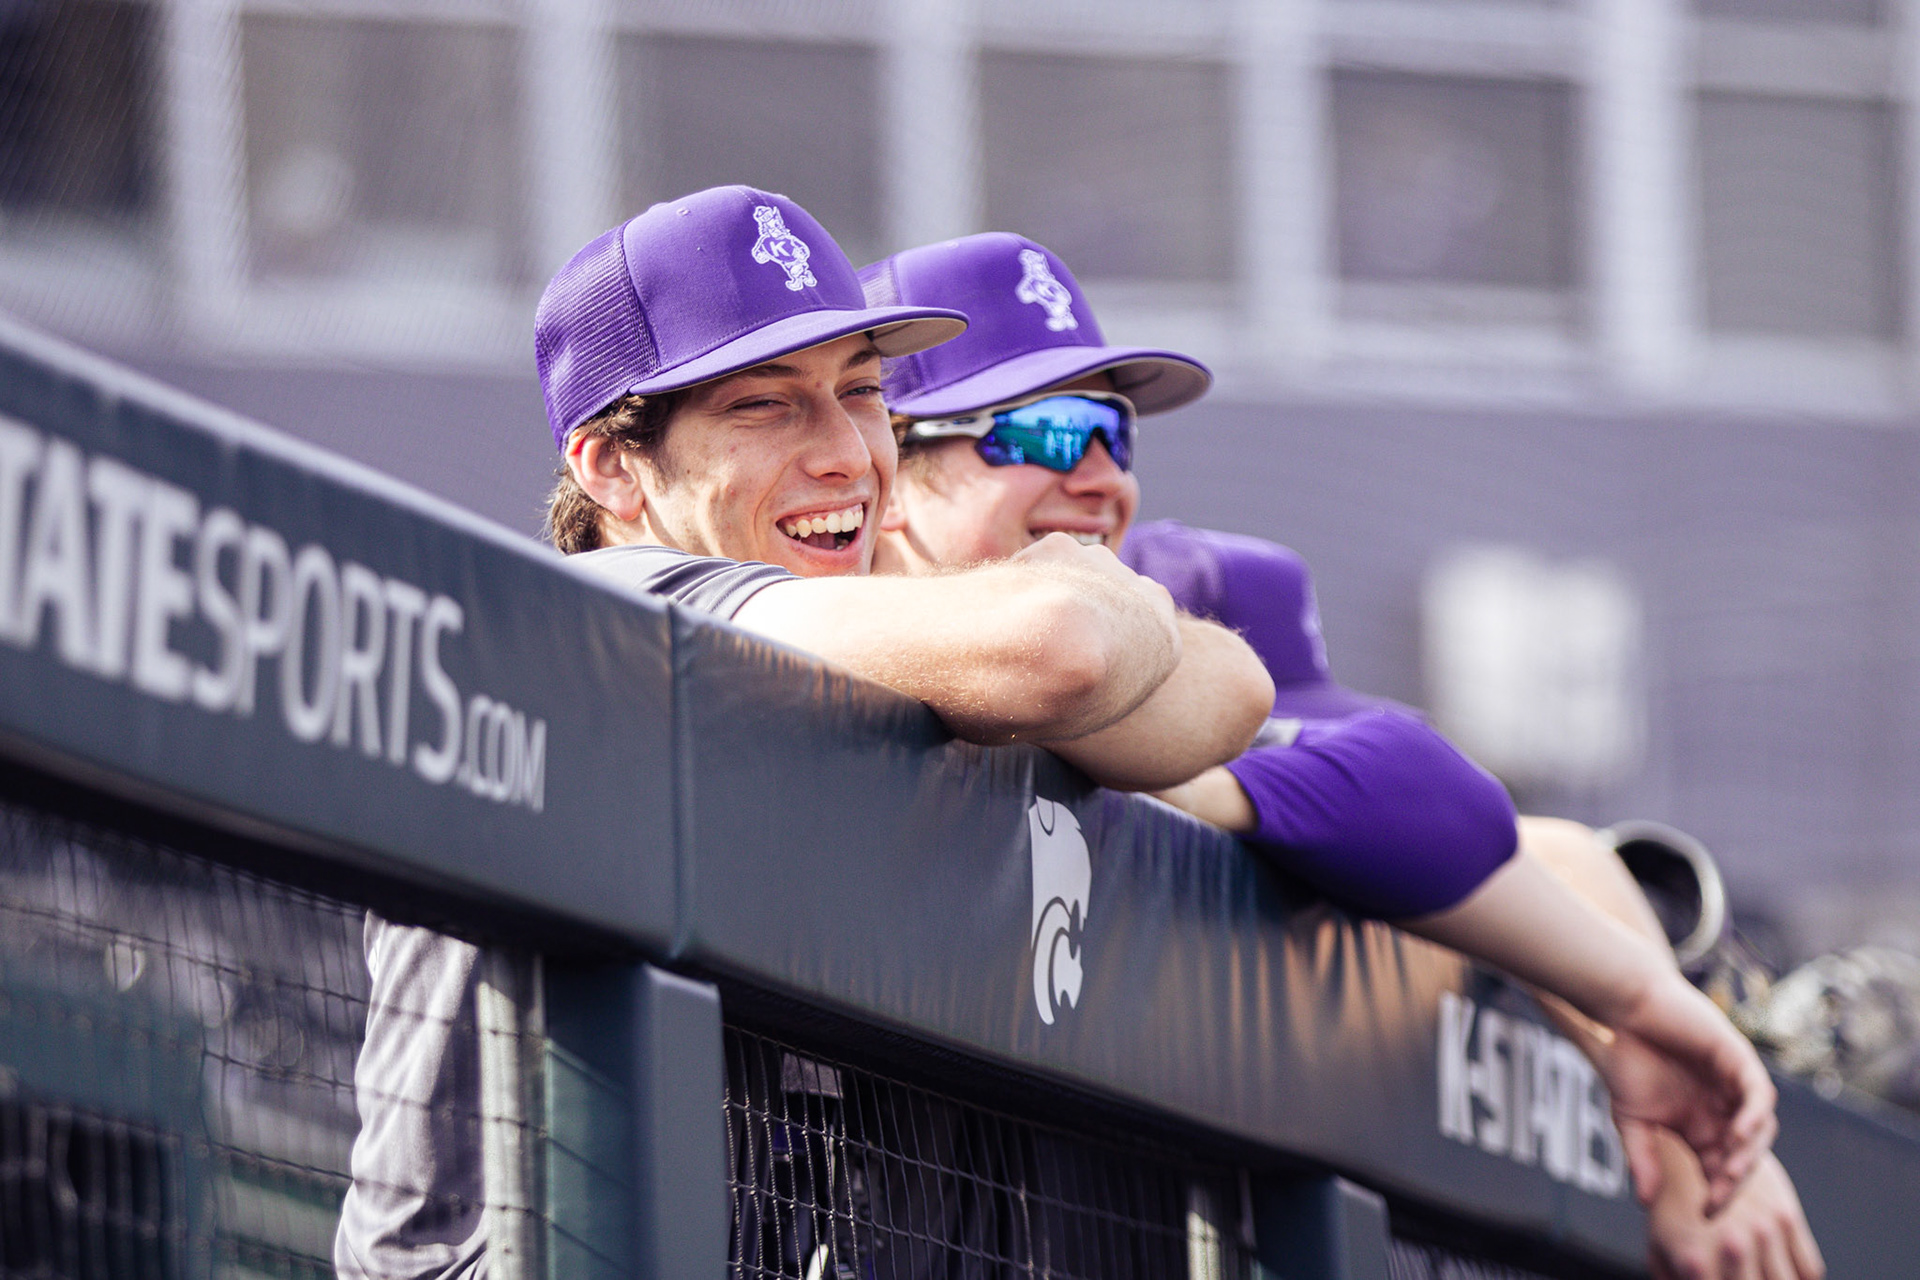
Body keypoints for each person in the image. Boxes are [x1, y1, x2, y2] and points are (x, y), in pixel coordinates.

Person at [336, 187, 1275, 1280]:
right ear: (612, 467)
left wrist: (1096, 627)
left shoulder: (865, 645)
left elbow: (1232, 691)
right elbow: (1063, 648)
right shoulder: (612, 606)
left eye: (862, 392)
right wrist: (1089, 595)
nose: (846, 453)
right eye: (765, 405)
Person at [861, 232, 1806, 1272]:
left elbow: (1435, 793)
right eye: (1040, 431)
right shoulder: (799, 626)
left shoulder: (1156, 599)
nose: (1097, 474)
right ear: (885, 465)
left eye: (1113, 433)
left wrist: (1194, 779)